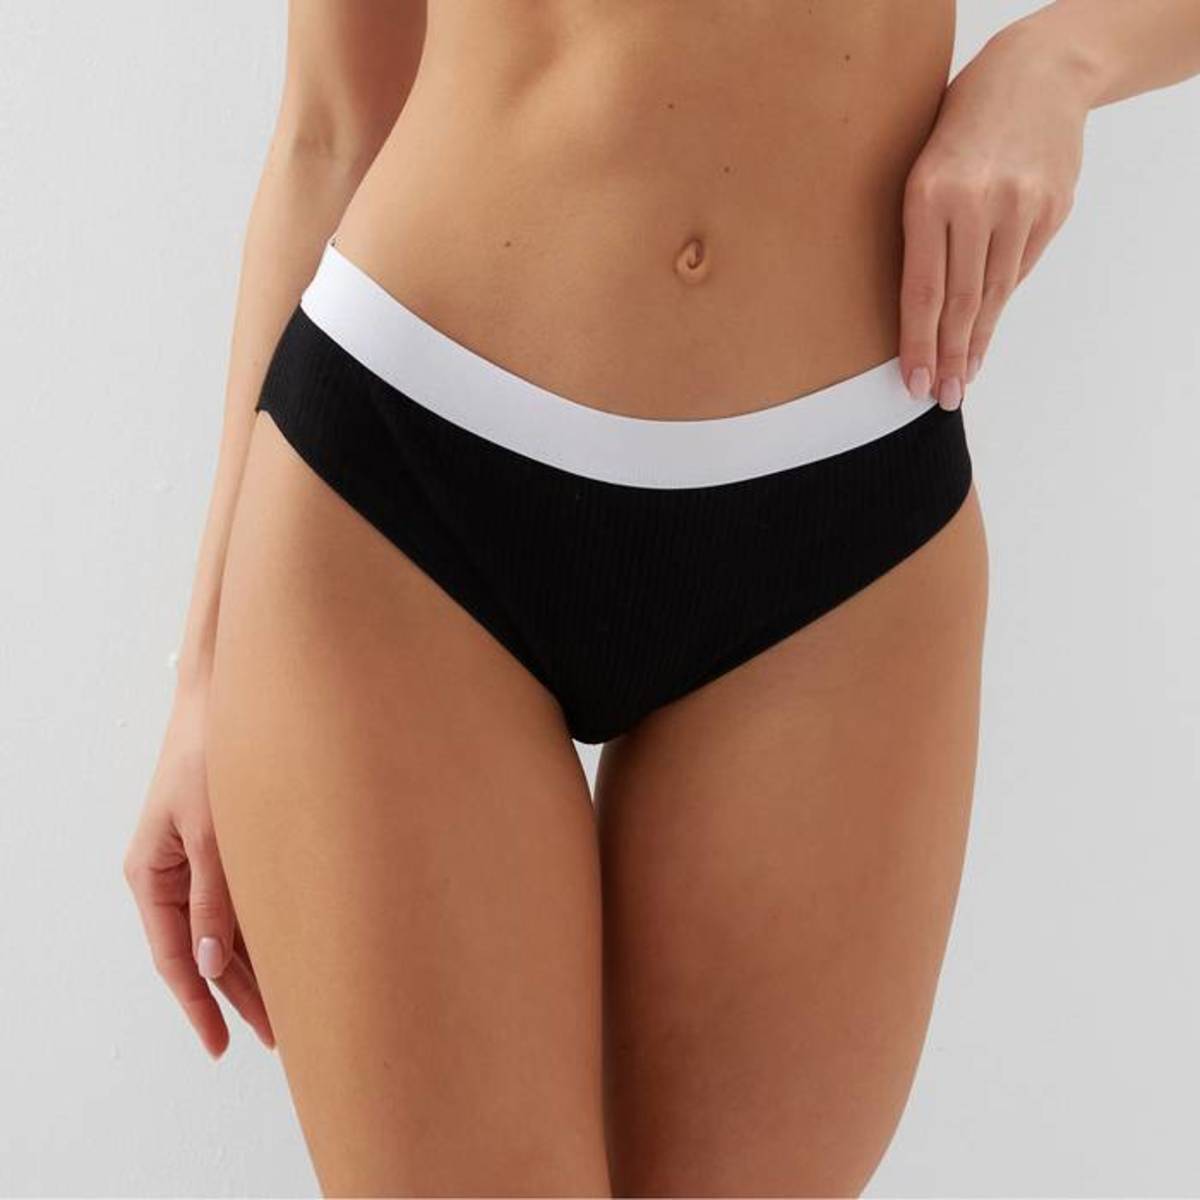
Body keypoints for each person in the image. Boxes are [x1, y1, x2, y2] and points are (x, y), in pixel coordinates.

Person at [122, 2, 1200, 1195]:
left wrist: (1059, 61)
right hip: (404, 488)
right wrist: (206, 673)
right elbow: (331, 127)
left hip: (842, 526)